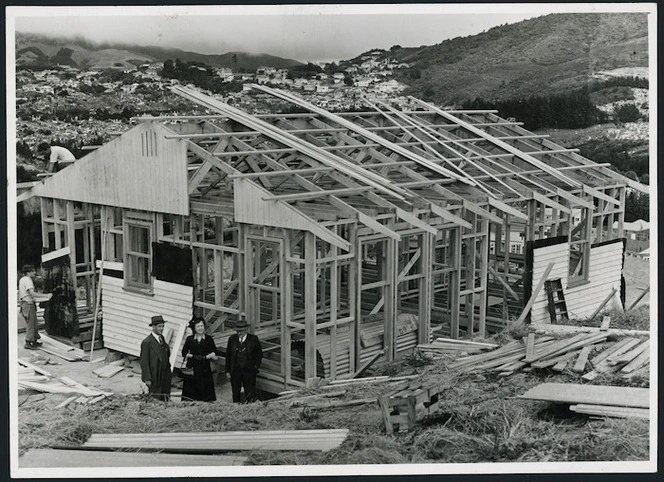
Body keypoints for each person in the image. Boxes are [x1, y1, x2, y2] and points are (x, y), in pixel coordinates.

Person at [225, 318, 263, 403]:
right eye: (237, 331)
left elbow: (259, 355)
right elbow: (228, 355)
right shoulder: (232, 339)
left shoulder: (253, 339)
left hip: (248, 371)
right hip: (235, 370)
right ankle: (236, 407)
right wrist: (227, 371)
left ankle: (249, 408)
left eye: (241, 331)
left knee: (250, 392)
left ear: (246, 330)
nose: (239, 333)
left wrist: (255, 367)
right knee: (235, 392)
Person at [181, 317, 218, 402]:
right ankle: (190, 402)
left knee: (204, 385)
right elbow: (184, 352)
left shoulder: (209, 339)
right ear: (194, 328)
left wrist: (206, 357)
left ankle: (205, 402)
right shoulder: (190, 339)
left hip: (204, 366)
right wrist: (190, 356)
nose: (200, 328)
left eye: (202, 326)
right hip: (192, 367)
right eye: (198, 326)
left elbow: (214, 351)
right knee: (191, 387)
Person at [140, 315, 172, 401]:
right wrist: (147, 379)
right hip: (155, 376)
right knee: (155, 398)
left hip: (164, 374)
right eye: (159, 326)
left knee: (165, 396)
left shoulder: (162, 338)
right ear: (153, 327)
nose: (161, 329)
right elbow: (144, 362)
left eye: (162, 326)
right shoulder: (147, 342)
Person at [19, 265, 42, 350]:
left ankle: (34, 340)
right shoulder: (28, 280)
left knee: (34, 322)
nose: (34, 273)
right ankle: (28, 342)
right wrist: (45, 295)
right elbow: (32, 293)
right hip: (28, 303)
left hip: (25, 303)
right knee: (31, 323)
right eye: (33, 271)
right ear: (28, 272)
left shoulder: (22, 279)